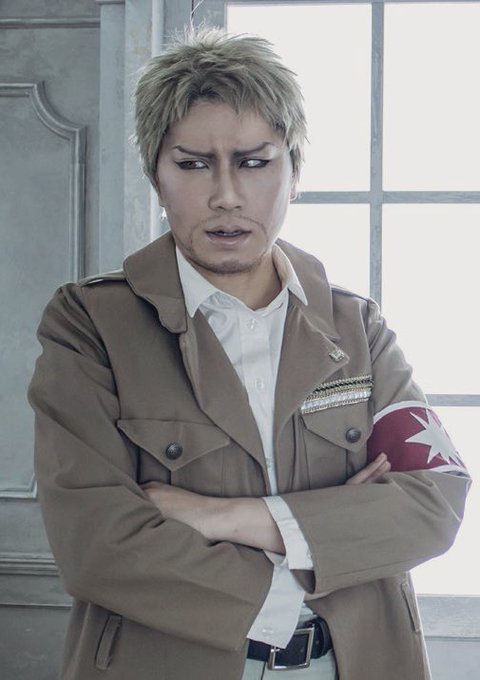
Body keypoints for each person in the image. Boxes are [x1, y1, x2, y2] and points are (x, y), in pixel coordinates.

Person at [28, 28, 470, 680]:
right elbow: (96, 542)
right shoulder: (89, 324)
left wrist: (224, 517)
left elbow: (436, 502)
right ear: (156, 177)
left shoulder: (357, 327)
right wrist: (320, 550)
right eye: (193, 164)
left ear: (294, 174)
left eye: (255, 163)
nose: (226, 195)